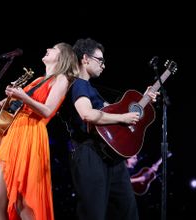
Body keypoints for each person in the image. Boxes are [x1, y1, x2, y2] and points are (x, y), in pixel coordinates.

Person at [64, 37, 159, 220]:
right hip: (89, 153)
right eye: (100, 60)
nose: (104, 66)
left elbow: (114, 117)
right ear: (85, 58)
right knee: (94, 214)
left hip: (110, 158)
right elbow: (87, 114)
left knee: (128, 212)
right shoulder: (78, 84)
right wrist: (123, 117)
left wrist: (145, 99)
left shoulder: (92, 88)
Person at [0, 42, 79, 220]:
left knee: (24, 201)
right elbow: (19, 102)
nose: (47, 49)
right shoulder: (38, 80)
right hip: (14, 133)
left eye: (53, 48)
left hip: (31, 134)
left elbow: (47, 110)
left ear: (62, 56)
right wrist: (0, 103)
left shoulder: (61, 79)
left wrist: (22, 96)